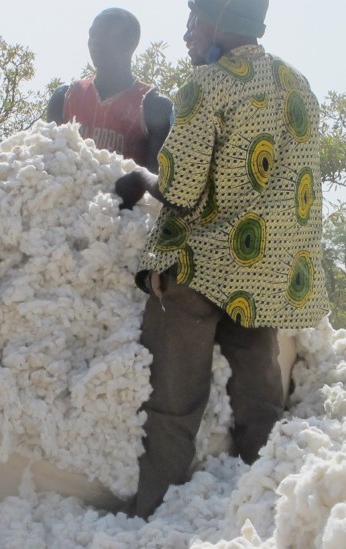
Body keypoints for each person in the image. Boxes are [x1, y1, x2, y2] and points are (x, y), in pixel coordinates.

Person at [114, 0, 330, 519]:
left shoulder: (206, 85)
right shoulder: (299, 87)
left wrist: (140, 182)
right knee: (262, 408)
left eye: (193, 21)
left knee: (173, 404)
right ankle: (273, 512)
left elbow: (183, 194)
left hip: (198, 270)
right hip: (265, 277)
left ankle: (152, 515)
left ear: (218, 22)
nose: (187, 33)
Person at [46, 8, 173, 181]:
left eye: (106, 36)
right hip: (65, 203)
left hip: (124, 206)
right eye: (93, 35)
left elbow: (155, 180)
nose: (96, 43)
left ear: (130, 44)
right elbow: (46, 163)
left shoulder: (153, 105)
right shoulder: (64, 97)